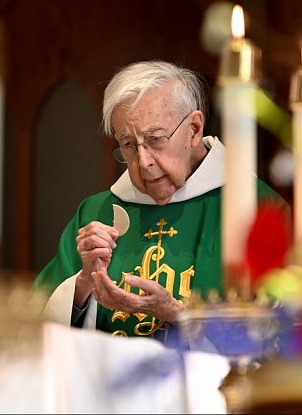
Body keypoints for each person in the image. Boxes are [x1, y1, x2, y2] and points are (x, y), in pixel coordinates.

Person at [33, 60, 287, 344]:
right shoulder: (96, 214)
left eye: (155, 139)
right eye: (128, 144)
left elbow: (283, 326)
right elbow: (32, 328)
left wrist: (180, 316)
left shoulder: (256, 207)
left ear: (193, 129)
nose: (143, 162)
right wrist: (82, 287)